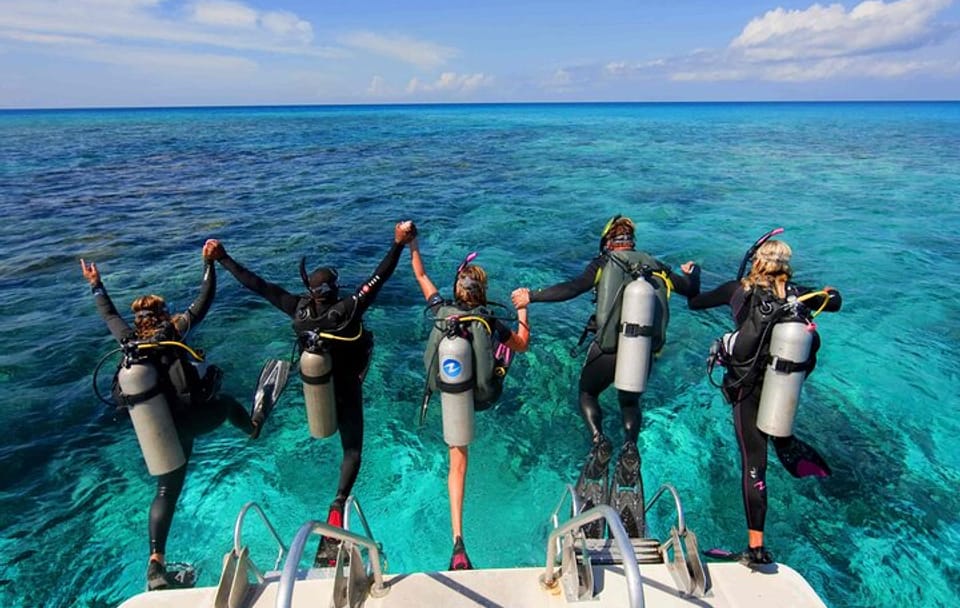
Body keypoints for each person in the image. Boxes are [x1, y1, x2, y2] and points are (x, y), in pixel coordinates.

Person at [203, 220, 416, 566]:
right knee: (352, 451)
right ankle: (337, 505)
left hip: (315, 391)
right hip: (348, 386)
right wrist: (397, 244)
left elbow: (258, 285)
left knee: (321, 415)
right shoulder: (348, 309)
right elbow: (380, 276)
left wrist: (223, 257)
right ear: (334, 289)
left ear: (311, 291)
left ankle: (256, 421)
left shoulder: (297, 308)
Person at [81, 249, 266, 592]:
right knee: (225, 404)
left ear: (138, 321)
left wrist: (96, 285)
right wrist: (209, 265)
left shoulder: (129, 342)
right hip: (187, 421)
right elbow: (205, 299)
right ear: (163, 313)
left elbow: (108, 316)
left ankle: (156, 563)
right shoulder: (174, 330)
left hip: (158, 430)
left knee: (166, 490)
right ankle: (253, 428)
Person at [511, 215, 699, 536]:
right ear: (632, 240)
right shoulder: (657, 267)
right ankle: (629, 447)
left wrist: (533, 296)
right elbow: (691, 292)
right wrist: (692, 274)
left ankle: (599, 440)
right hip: (640, 352)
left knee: (588, 393)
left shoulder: (603, 262)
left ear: (608, 240)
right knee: (630, 402)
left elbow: (572, 288)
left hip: (607, 351)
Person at [687, 235, 842, 566]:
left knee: (753, 465)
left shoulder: (737, 289)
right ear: (786, 266)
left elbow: (695, 302)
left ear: (757, 261)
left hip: (746, 389)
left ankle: (755, 549)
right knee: (769, 444)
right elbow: (836, 301)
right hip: (780, 384)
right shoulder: (799, 296)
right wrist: (830, 292)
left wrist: (693, 275)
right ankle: (786, 441)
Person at [410, 234, 530, 570]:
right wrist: (523, 310)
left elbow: (420, 275)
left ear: (456, 289)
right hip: (483, 395)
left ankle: (458, 541)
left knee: (457, 465)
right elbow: (522, 343)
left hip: (451, 396)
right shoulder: (489, 320)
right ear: (482, 292)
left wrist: (412, 245)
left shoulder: (439, 309)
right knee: (506, 350)